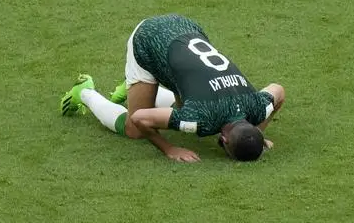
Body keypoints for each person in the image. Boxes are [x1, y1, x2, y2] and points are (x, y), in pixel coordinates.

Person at [59, 13, 285, 163]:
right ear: (224, 140)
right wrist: (169, 149)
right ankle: (85, 92)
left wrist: (258, 133)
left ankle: (138, 89)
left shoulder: (256, 105)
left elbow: (278, 90)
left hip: (186, 27)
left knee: (182, 104)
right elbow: (140, 118)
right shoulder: (201, 119)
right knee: (134, 130)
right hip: (149, 39)